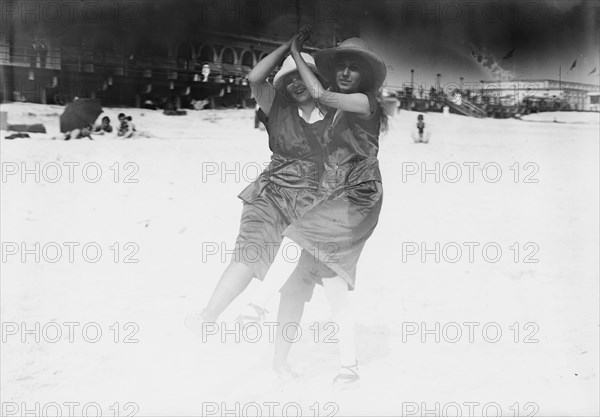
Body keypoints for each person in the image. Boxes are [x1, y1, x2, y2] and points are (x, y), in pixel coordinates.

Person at [185, 30, 333, 378]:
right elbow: (253, 77)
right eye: (289, 78)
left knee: (296, 287)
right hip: (270, 192)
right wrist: (289, 48)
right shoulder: (276, 106)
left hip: (311, 202)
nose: (296, 83)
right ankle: (207, 317)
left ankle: (280, 362)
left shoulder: (335, 116)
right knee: (251, 254)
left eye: (302, 76)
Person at [269, 36, 387, 385]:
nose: (347, 72)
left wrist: (293, 53)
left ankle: (255, 308)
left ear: (364, 75)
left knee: (304, 246)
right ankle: (291, 362)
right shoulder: (338, 112)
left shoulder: (363, 102)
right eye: (341, 66)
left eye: (354, 67)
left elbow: (320, 95)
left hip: (356, 198)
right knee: (306, 287)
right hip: (333, 194)